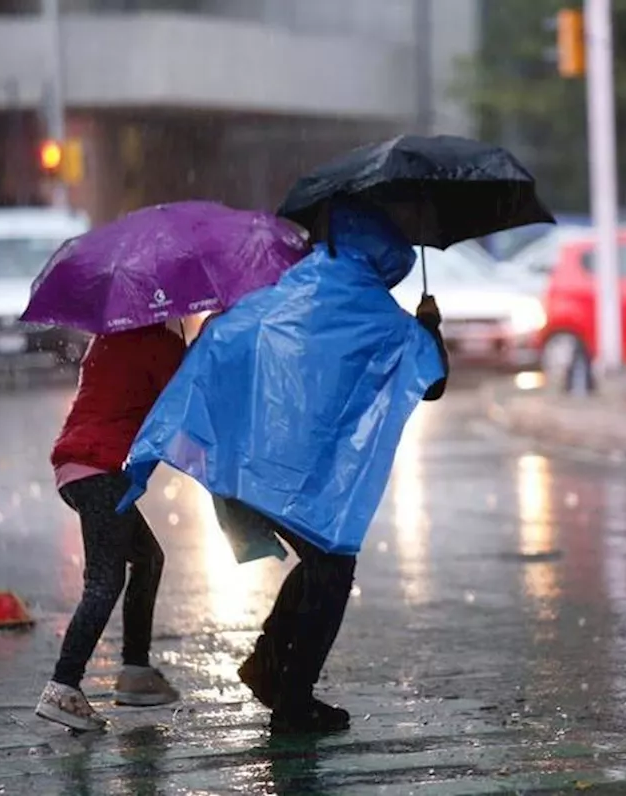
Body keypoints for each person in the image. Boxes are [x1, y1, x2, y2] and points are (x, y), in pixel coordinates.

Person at [121, 201, 449, 734]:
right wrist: (429, 327)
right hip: (294, 481)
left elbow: (227, 339)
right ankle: (290, 695)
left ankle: (272, 667)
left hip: (248, 467)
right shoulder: (372, 307)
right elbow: (431, 381)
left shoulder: (287, 285)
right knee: (332, 565)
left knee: (323, 563)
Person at [34, 319, 188, 732]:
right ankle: (63, 685)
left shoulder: (108, 337)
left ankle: (136, 671)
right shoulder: (157, 343)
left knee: (148, 558)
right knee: (104, 581)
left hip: (77, 468)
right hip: (100, 470)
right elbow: (185, 399)